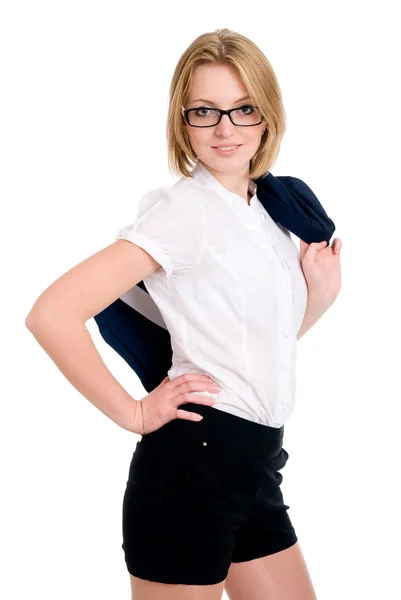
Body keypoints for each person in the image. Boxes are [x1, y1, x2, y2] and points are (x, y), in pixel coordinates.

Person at [26, 28, 342, 600]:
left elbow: (251, 345)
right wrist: (133, 413)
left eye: (243, 108)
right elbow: (53, 312)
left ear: (267, 114)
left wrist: (319, 297)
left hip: (257, 469)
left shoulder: (268, 215)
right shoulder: (182, 212)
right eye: (205, 111)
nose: (226, 128)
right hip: (192, 470)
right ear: (183, 120)